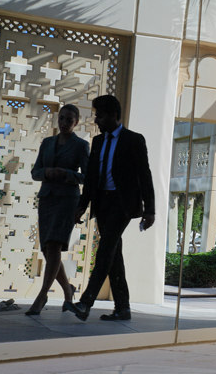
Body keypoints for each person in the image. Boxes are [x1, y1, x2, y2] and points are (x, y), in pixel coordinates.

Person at [67, 95, 155, 321]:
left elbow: (145, 175)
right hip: (102, 203)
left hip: (122, 204)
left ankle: (86, 303)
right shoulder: (97, 142)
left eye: (101, 115)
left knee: (104, 250)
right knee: (113, 255)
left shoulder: (134, 140)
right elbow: (92, 178)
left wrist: (150, 209)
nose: (97, 119)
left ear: (114, 115)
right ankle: (123, 308)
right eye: (97, 115)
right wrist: (82, 206)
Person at [25, 105, 89, 315]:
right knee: (47, 249)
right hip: (47, 199)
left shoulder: (81, 146)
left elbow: (87, 177)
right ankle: (68, 291)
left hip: (67, 200)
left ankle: (42, 295)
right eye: (61, 118)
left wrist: (67, 174)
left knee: (54, 246)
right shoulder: (47, 143)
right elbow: (35, 172)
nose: (64, 123)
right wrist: (48, 172)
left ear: (76, 122)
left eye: (69, 120)